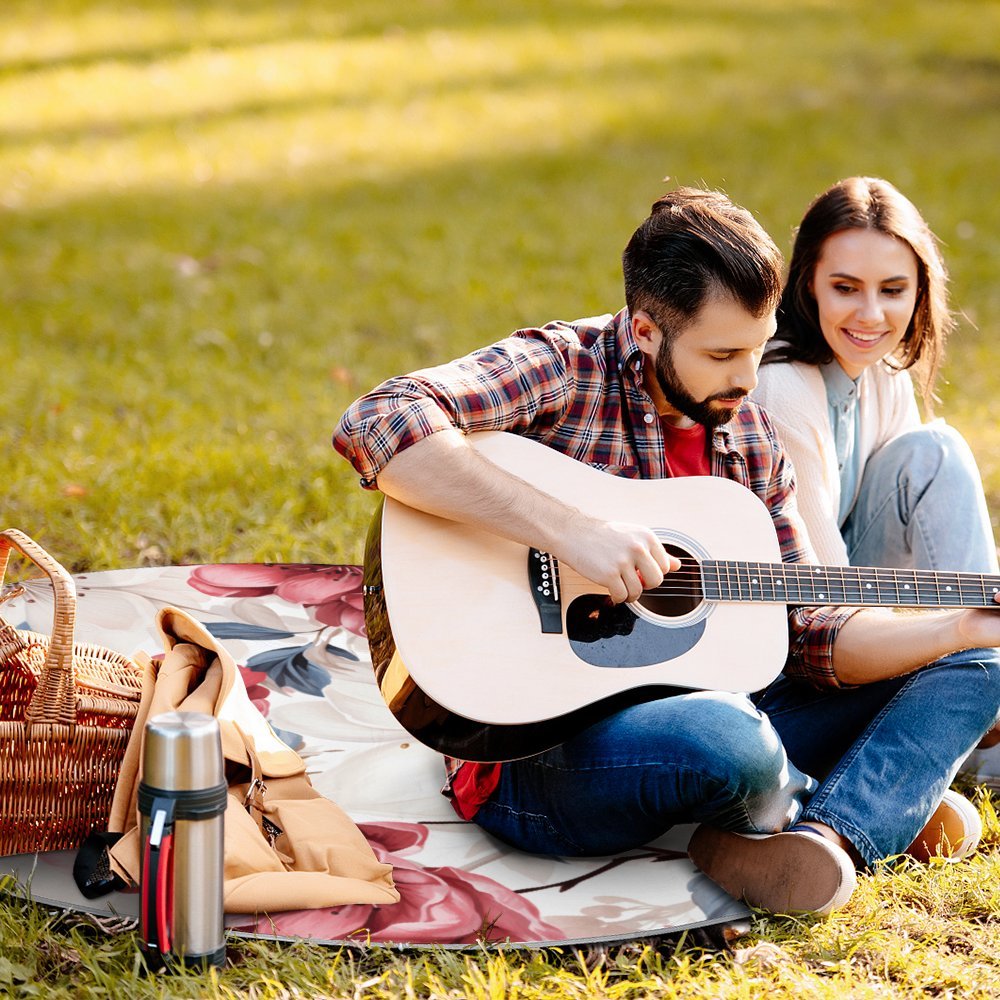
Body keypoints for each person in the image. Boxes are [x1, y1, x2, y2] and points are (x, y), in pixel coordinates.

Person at [333, 187, 1000, 916]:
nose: (748, 380)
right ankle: (860, 796)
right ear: (646, 330)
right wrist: (569, 530)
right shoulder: (564, 367)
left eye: (757, 346)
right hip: (535, 754)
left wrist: (956, 628)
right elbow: (380, 419)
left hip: (725, 708)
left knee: (980, 664)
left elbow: (809, 629)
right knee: (729, 742)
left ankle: (831, 837)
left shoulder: (748, 436)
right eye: (722, 354)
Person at [753, 176, 1000, 795]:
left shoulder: (881, 370)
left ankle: (978, 691)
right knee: (936, 451)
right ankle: (974, 703)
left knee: (931, 451)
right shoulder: (783, 387)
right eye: (845, 288)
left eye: (893, 291)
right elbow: (824, 604)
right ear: (807, 281)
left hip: (862, 606)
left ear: (920, 292)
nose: (872, 315)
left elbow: (922, 526)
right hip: (798, 643)